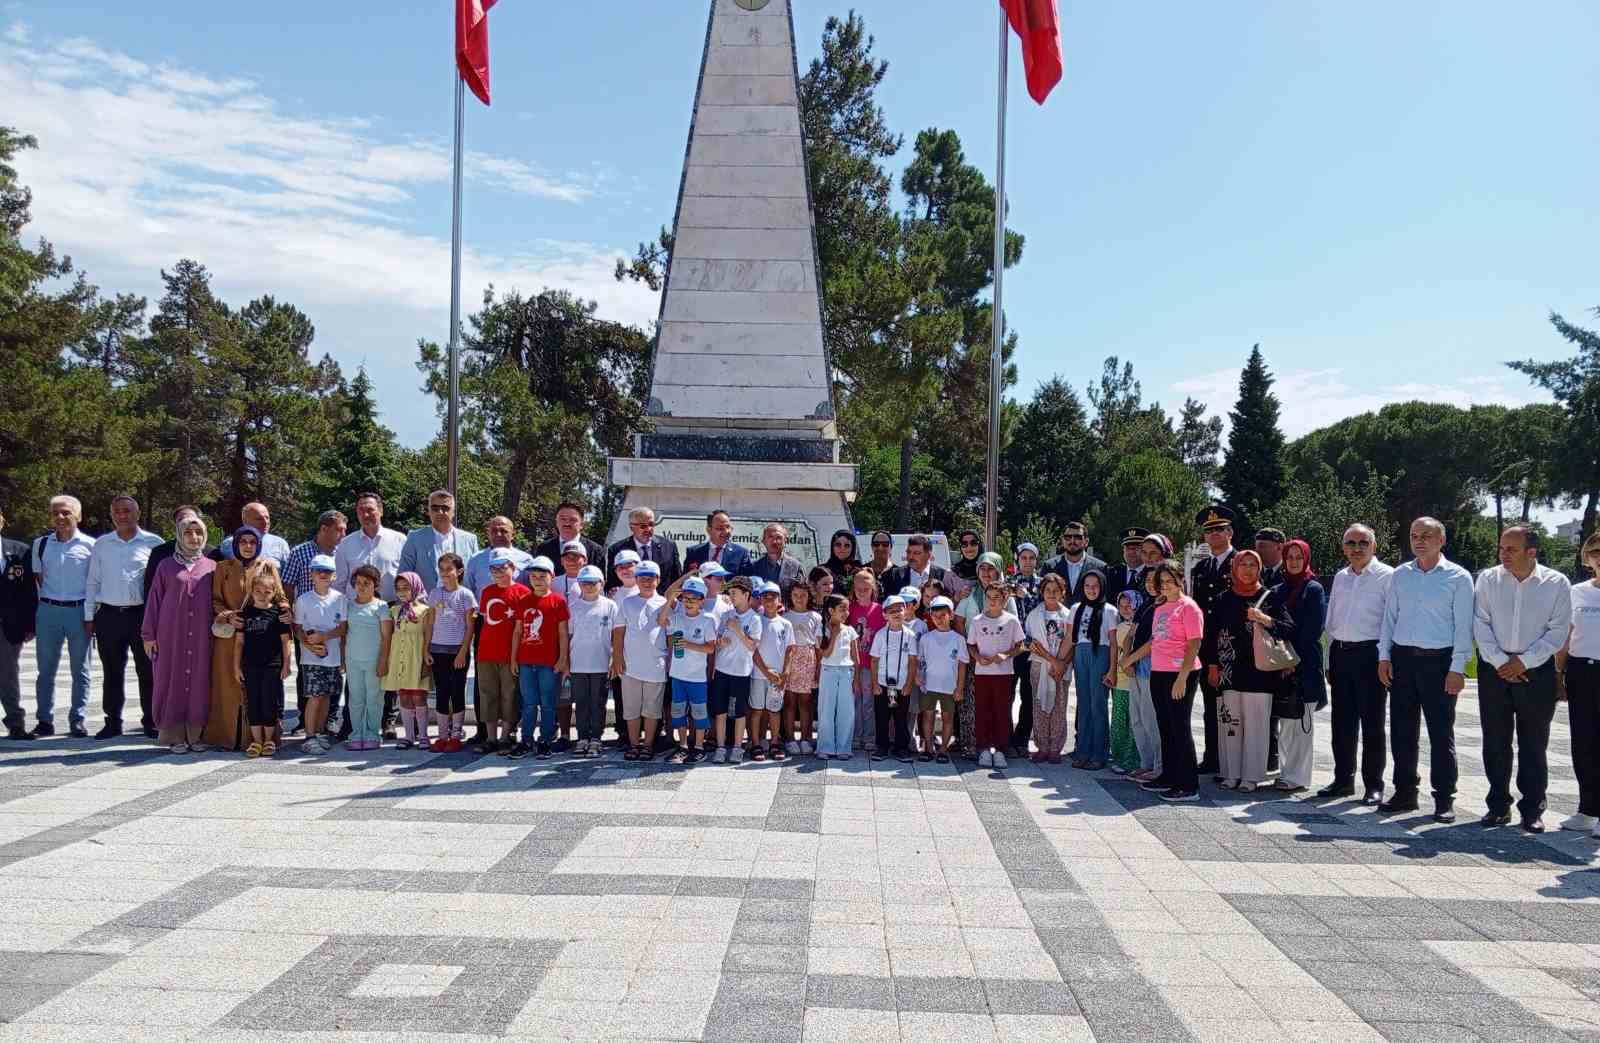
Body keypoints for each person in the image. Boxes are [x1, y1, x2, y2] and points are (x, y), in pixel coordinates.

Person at [1473, 525, 1571, 832]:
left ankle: (1532, 810)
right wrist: (1503, 661)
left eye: (1511, 549)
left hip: (1536, 671)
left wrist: (1523, 662)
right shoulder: (1488, 579)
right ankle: (1498, 806)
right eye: (1502, 548)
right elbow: (1480, 623)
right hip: (1494, 669)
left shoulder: (1556, 583)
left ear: (1532, 552)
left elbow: (1557, 631)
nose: (1503, 554)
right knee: (1495, 741)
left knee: (1533, 743)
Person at [1378, 516, 1475, 822]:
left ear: (1441, 541)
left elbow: (1463, 628)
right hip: (1404, 660)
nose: (1419, 541)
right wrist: (1384, 656)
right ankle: (1405, 791)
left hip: (1439, 662)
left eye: (1426, 536)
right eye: (1414, 535)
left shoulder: (1458, 577)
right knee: (1402, 732)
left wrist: (1457, 668)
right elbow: (1389, 618)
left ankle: (1444, 797)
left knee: (1440, 733)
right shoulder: (1400, 575)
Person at [1200, 550, 1294, 792]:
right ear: (1235, 567)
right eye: (1243, 564)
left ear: (1260, 568)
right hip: (1229, 672)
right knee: (1230, 723)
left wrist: (1264, 618)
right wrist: (1212, 666)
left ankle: (1251, 777)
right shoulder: (1223, 598)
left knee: (1257, 725)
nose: (1248, 569)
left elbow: (1287, 628)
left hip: (1260, 673)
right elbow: (1210, 635)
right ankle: (1230, 773)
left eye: (1253, 564)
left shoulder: (1269, 597)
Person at [1320, 523, 1395, 804]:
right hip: (1341, 654)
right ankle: (1342, 780)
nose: (1357, 548)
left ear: (1374, 546)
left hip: (1370, 655)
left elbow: (1390, 621)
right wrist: (1329, 659)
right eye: (1351, 543)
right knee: (1342, 723)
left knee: (1372, 723)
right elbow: (1332, 622)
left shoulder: (1388, 576)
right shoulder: (1341, 577)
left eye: (1363, 542)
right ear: (1343, 547)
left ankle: (1373, 785)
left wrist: (1385, 658)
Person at [84, 495, 163, 739]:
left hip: (142, 616)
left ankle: (151, 721)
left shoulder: (153, 543)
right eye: (117, 511)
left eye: (127, 511)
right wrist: (89, 616)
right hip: (109, 615)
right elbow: (92, 581)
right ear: (112, 515)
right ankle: (112, 722)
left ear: (137, 514)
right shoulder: (102, 544)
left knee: (147, 670)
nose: (122, 515)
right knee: (112, 671)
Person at [207, 526, 288, 751]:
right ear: (236, 543)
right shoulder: (222, 567)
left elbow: (280, 596)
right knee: (231, 686)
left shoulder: (267, 566)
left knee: (263, 690)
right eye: (243, 541)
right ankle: (231, 737)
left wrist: (284, 609)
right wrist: (228, 616)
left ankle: (266, 738)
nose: (248, 546)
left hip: (261, 636)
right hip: (230, 636)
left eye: (253, 542)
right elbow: (215, 600)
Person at [142, 514, 217, 752]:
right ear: (179, 535)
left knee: (200, 681)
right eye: (188, 533)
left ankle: (197, 735)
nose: (194, 538)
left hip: (203, 637)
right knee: (169, 680)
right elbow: (154, 600)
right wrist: (148, 635)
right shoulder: (166, 565)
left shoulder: (213, 567)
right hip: (170, 635)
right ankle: (174, 736)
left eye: (198, 533)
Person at [30, 494, 96, 737]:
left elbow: (94, 583)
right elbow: (39, 579)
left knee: (81, 670)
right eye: (55, 513)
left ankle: (77, 719)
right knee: (45, 670)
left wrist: (91, 616)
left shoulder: (91, 546)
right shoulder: (41, 544)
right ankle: (44, 721)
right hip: (48, 611)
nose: (60, 517)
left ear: (77, 516)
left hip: (79, 612)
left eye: (66, 512)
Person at [1141, 562, 1204, 801]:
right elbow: (1155, 640)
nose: (1166, 585)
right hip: (1159, 670)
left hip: (1181, 672)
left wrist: (1182, 678)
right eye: (1162, 582)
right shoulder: (1161, 607)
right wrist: (1131, 659)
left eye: (1170, 580)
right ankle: (1169, 775)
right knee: (1164, 726)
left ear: (1180, 579)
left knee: (1180, 727)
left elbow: (1194, 643)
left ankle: (1188, 784)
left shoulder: (1189, 607)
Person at [281, 509, 348, 735]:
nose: (343, 534)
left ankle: (329, 719)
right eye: (339, 529)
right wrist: (292, 625)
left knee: (333, 673)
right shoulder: (300, 553)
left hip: (333, 624)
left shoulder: (341, 553)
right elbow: (288, 586)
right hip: (306, 626)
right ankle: (305, 719)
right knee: (308, 672)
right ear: (324, 529)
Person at [1274, 539, 1327, 794]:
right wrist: (1282, 659)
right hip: (1281, 664)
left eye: (1298, 556)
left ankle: (1298, 776)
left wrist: (1292, 660)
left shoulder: (1313, 589)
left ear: (1305, 559)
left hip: (1304, 664)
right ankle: (1285, 771)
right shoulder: (1278, 590)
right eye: (1289, 557)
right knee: (1286, 723)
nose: (1293, 561)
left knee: (1302, 724)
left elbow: (1312, 630)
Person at [1189, 504, 1238, 778]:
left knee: (1231, 708)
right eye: (1209, 531)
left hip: (1233, 648)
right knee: (1210, 706)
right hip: (1207, 648)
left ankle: (1232, 760)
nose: (1214, 535)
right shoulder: (1202, 567)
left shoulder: (1242, 562)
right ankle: (1213, 757)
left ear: (1230, 532)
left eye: (1219, 529)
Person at [1558, 532, 1600, 837]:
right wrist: (1558, 674)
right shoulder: (1577, 592)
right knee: (1584, 742)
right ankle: (1587, 810)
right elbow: (1565, 636)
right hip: (1580, 672)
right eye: (1595, 551)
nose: (1599, 556)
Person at [511, 556, 570, 759]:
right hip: (526, 660)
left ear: (551, 577)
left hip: (548, 662)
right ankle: (526, 739)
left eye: (542, 576)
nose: (537, 580)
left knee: (547, 703)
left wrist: (562, 658)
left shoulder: (558, 601)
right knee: (528, 703)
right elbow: (518, 631)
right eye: (533, 576)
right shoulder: (523, 600)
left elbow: (563, 633)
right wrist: (513, 658)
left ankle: (545, 739)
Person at [613, 559, 668, 761]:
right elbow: (619, 631)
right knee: (631, 708)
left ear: (658, 580)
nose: (646, 581)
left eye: (651, 578)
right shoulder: (627, 603)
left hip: (656, 665)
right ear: (636, 580)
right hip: (631, 665)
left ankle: (648, 745)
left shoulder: (665, 603)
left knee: (652, 709)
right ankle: (634, 744)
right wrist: (617, 657)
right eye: (642, 578)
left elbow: (672, 634)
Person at [235, 570, 293, 758]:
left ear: (274, 592)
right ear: (251, 592)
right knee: (253, 702)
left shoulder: (279, 614)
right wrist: (236, 666)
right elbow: (239, 642)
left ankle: (269, 740)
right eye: (258, 591)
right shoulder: (245, 614)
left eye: (267, 591)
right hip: (250, 666)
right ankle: (256, 741)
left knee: (269, 702)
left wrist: (286, 664)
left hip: (272, 665)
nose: (262, 595)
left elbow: (286, 642)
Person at [474, 551, 528, 753]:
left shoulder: (522, 592)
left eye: (502, 568)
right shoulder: (487, 592)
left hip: (509, 653)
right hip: (487, 652)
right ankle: (490, 737)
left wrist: (516, 655)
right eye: (494, 569)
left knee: (509, 694)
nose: (498, 572)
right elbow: (485, 622)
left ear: (513, 569)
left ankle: (506, 735)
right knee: (488, 694)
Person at [968, 581, 1025, 769]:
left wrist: (1006, 655)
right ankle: (983, 748)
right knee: (983, 709)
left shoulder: (1011, 620)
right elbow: (971, 645)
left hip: (1003, 673)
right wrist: (977, 657)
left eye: (997, 598)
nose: (992, 602)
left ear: (1005, 599)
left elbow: (1020, 645)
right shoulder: (977, 621)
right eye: (989, 598)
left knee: (1002, 710)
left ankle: (1000, 749)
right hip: (983, 673)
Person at [660, 574, 717, 764]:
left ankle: (699, 747)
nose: (689, 602)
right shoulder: (676, 618)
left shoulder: (707, 620)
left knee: (699, 712)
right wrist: (670, 600)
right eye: (685, 598)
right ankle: (683, 745)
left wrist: (688, 645)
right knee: (678, 712)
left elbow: (710, 647)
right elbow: (661, 622)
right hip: (677, 675)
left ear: (702, 601)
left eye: (694, 599)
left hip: (697, 677)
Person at [292, 555, 345, 754]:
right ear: (311, 574)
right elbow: (297, 628)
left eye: (327, 571)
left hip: (332, 658)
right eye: (318, 571)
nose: (323, 574)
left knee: (326, 697)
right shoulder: (303, 599)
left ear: (334, 575)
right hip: (311, 658)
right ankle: (310, 735)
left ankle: (320, 732)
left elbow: (343, 628)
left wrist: (325, 637)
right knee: (314, 696)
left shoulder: (340, 599)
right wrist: (309, 643)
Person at [1067, 570, 1118, 771]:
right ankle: (1082, 751)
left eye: (1095, 586)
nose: (1091, 590)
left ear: (1102, 587)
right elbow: (1069, 639)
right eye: (1087, 586)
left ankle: (1100, 753)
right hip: (1081, 654)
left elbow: (1113, 643)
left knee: (1098, 704)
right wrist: (1060, 662)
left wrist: (1112, 670)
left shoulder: (1109, 611)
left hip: (1101, 654)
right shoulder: (1075, 609)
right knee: (1084, 704)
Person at [424, 552, 475, 751]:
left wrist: (463, 652)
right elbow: (430, 623)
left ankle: (456, 733)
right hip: (438, 650)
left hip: (457, 651)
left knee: (457, 691)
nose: (445, 573)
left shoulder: (466, 595)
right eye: (442, 569)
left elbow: (470, 627)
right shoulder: (435, 594)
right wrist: (426, 648)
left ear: (459, 571)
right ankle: (442, 734)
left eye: (449, 569)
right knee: (442, 691)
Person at [567, 564, 617, 758]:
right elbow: (568, 636)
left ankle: (596, 738)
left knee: (598, 702)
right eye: (584, 583)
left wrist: (614, 658)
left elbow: (615, 636)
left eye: (593, 583)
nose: (589, 586)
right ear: (579, 584)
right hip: (578, 663)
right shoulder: (573, 607)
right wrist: (565, 661)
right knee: (581, 702)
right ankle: (582, 737)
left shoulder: (610, 606)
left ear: (601, 583)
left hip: (601, 663)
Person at [711, 575, 762, 762]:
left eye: (734, 593)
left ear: (746, 594)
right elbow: (716, 641)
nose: (730, 596)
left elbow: (752, 646)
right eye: (729, 592)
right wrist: (720, 642)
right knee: (720, 710)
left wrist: (738, 630)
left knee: (740, 711)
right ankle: (720, 747)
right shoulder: (725, 615)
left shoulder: (755, 619)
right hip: (722, 669)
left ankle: (738, 747)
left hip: (741, 672)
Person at [344, 563, 393, 751]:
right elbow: (344, 633)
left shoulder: (381, 607)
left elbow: (387, 636)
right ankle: (357, 733)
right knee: (355, 698)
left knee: (374, 698)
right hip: (353, 659)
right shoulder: (349, 605)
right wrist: (342, 659)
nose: (362, 586)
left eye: (366, 583)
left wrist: (383, 660)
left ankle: (372, 733)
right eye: (358, 583)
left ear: (375, 585)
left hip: (374, 660)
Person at [382, 571, 432, 750]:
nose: (402, 592)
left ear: (416, 587)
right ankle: (408, 736)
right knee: (403, 695)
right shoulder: (394, 611)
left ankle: (424, 735)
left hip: (416, 656)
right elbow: (388, 635)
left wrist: (426, 654)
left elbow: (427, 635)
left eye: (406, 588)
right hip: (399, 657)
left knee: (419, 695)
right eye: (399, 589)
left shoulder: (425, 610)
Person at [1122, 569, 1164, 782]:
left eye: (1154, 579)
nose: (1150, 583)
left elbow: (1154, 641)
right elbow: (1131, 634)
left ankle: (1159, 766)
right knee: (1137, 718)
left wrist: (1129, 659)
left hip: (1151, 666)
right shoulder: (1145, 605)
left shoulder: (1164, 606)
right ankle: (1145, 763)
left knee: (1150, 719)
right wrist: (1127, 657)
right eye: (1147, 580)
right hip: (1135, 666)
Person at [1025, 574, 1072, 764]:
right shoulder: (1035, 615)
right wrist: (1053, 661)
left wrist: (1062, 663)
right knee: (1040, 706)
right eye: (1047, 590)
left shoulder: (1069, 615)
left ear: (1062, 593)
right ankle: (1042, 746)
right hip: (1040, 665)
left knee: (1059, 706)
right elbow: (1032, 642)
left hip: (1063, 667)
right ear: (1042, 592)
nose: (1051, 594)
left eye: (1056, 590)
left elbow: (1074, 642)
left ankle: (1055, 748)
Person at [399, 490, 480, 595]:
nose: (440, 512)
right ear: (429, 511)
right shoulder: (415, 538)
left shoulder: (470, 540)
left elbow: (475, 576)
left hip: (461, 605)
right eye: (435, 508)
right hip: (426, 605)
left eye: (445, 508)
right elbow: (404, 575)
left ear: (453, 512)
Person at [0, 504, 36, 740]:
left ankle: (15, 723)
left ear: (2, 521)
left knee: (7, 675)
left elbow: (28, 592)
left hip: (8, 625)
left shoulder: (20, 551)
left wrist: (30, 624)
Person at [918, 595, 967, 763]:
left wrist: (959, 687)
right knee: (928, 716)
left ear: (951, 615)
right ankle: (929, 748)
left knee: (948, 718)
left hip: (949, 686)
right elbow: (920, 661)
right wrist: (919, 677)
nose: (938, 620)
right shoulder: (926, 638)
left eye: (942, 616)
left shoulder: (959, 639)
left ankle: (944, 749)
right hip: (929, 685)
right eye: (935, 616)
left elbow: (962, 665)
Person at [869, 595, 918, 762]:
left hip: (901, 685)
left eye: (900, 609)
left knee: (900, 717)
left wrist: (909, 684)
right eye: (892, 611)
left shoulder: (910, 635)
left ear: (905, 612)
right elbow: (874, 660)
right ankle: (882, 747)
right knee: (882, 717)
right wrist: (875, 683)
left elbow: (912, 661)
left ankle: (901, 748)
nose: (897, 613)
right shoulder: (881, 635)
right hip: (884, 684)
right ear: (885, 615)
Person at [749, 581, 793, 761]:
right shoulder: (755, 620)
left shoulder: (785, 624)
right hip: (758, 674)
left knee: (774, 710)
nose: (768, 601)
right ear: (760, 600)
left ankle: (774, 742)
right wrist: (766, 671)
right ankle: (756, 743)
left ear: (779, 600)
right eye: (765, 597)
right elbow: (753, 649)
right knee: (757, 710)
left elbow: (790, 649)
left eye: (772, 597)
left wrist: (786, 672)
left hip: (778, 676)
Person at [1010, 543, 1044, 758]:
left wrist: (1027, 596)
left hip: (1034, 648)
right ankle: (1005, 737)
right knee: (1007, 695)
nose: (1028, 562)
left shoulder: (1043, 584)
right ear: (1017, 559)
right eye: (1024, 557)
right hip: (1013, 648)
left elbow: (1044, 607)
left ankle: (1022, 739)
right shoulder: (1007, 583)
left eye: (1032, 558)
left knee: (1029, 695)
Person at [815, 593, 859, 759]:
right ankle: (825, 747)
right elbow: (825, 654)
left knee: (846, 711)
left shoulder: (850, 630)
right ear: (831, 610)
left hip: (846, 672)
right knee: (826, 709)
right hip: (828, 671)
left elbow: (855, 657)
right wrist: (833, 634)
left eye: (847, 609)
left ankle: (844, 747)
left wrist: (857, 680)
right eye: (842, 609)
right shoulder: (822, 630)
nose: (846, 613)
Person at [782, 580, 821, 756]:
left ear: (809, 597)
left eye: (803, 595)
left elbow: (819, 646)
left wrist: (818, 669)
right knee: (789, 701)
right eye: (796, 595)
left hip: (808, 660)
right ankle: (790, 739)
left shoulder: (815, 616)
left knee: (806, 702)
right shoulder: (784, 616)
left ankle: (806, 738)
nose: (799, 598)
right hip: (790, 658)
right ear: (790, 596)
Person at [847, 569, 885, 753]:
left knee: (868, 702)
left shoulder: (880, 610)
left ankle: (870, 736)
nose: (862, 591)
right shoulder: (849, 609)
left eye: (866, 588)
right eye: (858, 588)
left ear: (873, 588)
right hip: (852, 664)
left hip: (871, 665)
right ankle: (855, 735)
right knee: (854, 700)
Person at [1108, 590, 1143, 774]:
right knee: (1120, 720)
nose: (1125, 609)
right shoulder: (1119, 626)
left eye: (1129, 605)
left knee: (1133, 722)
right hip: (1120, 681)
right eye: (1121, 606)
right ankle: (1119, 756)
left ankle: (1132, 760)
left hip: (1134, 680)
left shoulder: (1141, 627)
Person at [607, 506, 681, 589]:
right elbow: (612, 582)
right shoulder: (616, 550)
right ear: (631, 527)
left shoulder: (669, 546)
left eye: (651, 524)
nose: (648, 529)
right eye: (643, 526)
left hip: (661, 600)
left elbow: (677, 579)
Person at [465, 516, 534, 596]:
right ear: (488, 534)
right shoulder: (476, 559)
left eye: (503, 531)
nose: (498, 534)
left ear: (513, 534)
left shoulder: (526, 560)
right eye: (494, 531)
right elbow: (469, 592)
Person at [216, 502, 291, 569]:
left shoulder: (280, 544)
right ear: (245, 520)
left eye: (267, 518)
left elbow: (288, 577)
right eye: (259, 519)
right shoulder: (228, 544)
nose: (265, 522)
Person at [1044, 521, 1106, 602]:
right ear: (1063, 541)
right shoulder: (1049, 566)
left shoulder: (1100, 568)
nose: (1072, 541)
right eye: (1068, 537)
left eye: (1077, 537)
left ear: (1086, 542)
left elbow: (1105, 600)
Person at [535, 500, 605, 570]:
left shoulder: (596, 552)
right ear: (556, 522)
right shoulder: (543, 549)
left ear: (582, 524)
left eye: (573, 520)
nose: (567, 523)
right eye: (563, 519)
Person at [880, 534, 947, 603]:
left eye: (916, 553)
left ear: (929, 555)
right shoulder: (894, 574)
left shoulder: (942, 575)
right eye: (908, 552)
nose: (911, 557)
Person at [744, 522, 804, 595]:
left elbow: (802, 594)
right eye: (770, 537)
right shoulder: (754, 567)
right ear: (763, 541)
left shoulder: (796, 567)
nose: (774, 541)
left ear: (785, 541)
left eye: (778, 537)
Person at [1105, 527, 1150, 605]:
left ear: (1144, 551)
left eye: (1137, 548)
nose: (1132, 552)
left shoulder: (1151, 574)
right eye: (1128, 548)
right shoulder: (1113, 573)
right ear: (1123, 550)